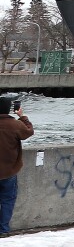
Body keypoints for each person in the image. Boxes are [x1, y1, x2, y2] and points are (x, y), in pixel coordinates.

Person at [0, 94, 33, 235]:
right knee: (7, 200)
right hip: (9, 171)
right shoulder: (15, 124)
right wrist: (22, 116)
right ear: (9, 109)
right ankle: (3, 230)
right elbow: (29, 132)